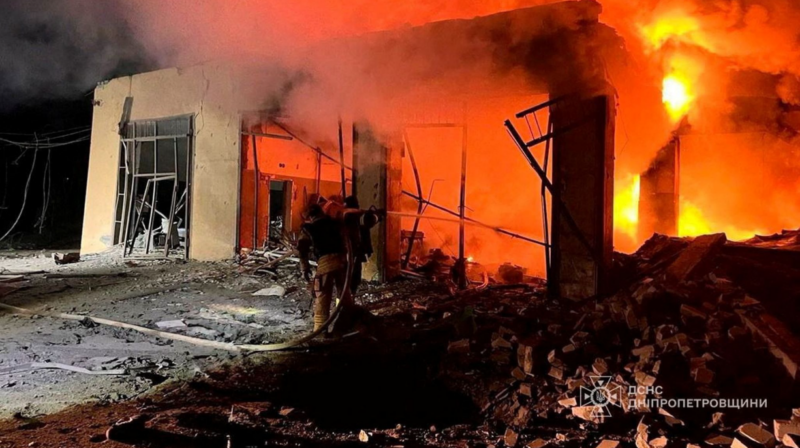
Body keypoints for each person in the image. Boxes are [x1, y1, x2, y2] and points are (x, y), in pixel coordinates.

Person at [297, 203, 351, 332]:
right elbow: (347, 242)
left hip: (326, 262)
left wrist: (305, 268)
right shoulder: (337, 224)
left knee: (322, 295)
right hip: (343, 262)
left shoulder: (308, 228)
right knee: (344, 294)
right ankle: (346, 324)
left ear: (310, 216)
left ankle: (320, 330)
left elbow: (302, 250)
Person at [343, 196, 381, 295]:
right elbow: (371, 221)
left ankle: (347, 297)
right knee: (352, 276)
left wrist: (376, 216)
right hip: (353, 251)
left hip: (351, 251)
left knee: (349, 277)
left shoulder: (352, 217)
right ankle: (349, 296)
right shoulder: (356, 217)